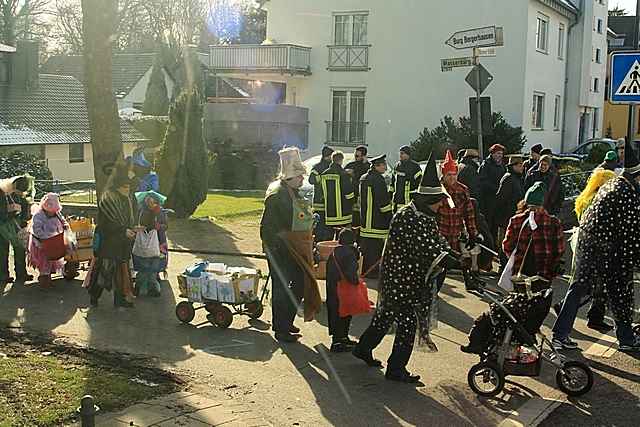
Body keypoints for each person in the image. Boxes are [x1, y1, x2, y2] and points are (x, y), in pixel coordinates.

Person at [353, 152, 451, 383]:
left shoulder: (424, 215)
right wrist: (452, 259)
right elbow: (426, 249)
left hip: (406, 278)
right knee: (407, 323)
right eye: (439, 201)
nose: (441, 205)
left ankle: (363, 349)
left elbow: (436, 242)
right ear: (428, 200)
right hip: (400, 279)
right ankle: (396, 369)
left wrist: (454, 250)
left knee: (384, 317)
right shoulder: (409, 217)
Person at [552, 143, 640, 352]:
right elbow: (631, 232)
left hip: (593, 245)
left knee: (585, 288)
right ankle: (625, 338)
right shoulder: (626, 192)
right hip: (602, 248)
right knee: (616, 289)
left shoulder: (615, 184)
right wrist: (635, 260)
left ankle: (561, 334)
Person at [462, 182, 565, 355]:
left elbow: (507, 246)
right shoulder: (554, 222)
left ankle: (511, 343)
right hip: (543, 280)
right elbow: (559, 250)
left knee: (514, 310)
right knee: (531, 311)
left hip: (520, 278)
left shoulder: (517, 220)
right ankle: (523, 339)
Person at [260, 147, 322, 343]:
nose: (303, 179)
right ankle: (281, 328)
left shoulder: (289, 191)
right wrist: (277, 247)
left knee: (297, 283)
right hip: (280, 249)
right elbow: (268, 226)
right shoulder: (278, 194)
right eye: (300, 176)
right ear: (290, 177)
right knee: (282, 288)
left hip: (290, 247)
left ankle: (286, 321)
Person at [552, 167, 617, 332]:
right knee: (587, 285)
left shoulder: (586, 198)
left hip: (585, 243)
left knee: (594, 285)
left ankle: (595, 317)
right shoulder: (599, 200)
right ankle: (570, 312)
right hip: (593, 246)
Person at [87, 160, 137, 308]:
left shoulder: (126, 198)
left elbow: (129, 219)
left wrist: (133, 228)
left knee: (121, 272)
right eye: (125, 187)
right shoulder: (108, 199)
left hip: (121, 243)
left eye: (129, 186)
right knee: (104, 271)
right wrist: (123, 231)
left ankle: (119, 299)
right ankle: (94, 296)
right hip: (108, 243)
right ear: (118, 187)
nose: (128, 189)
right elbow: (106, 224)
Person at [436, 150, 481, 291]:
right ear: (443, 175)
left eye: (454, 174)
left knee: (454, 263)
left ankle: (470, 281)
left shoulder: (463, 190)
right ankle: (431, 293)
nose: (452, 178)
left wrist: (473, 233)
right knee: (437, 265)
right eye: (449, 175)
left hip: (455, 233)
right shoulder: (437, 190)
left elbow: (469, 214)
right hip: (439, 234)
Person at [325, 228, 360, 352]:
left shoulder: (333, 253)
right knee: (345, 314)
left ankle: (340, 338)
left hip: (333, 289)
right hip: (345, 291)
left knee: (335, 314)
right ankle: (339, 342)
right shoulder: (350, 254)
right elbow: (351, 275)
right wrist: (357, 282)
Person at [359, 154, 393, 278]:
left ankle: (365, 269)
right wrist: (390, 217)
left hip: (365, 220)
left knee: (367, 247)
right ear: (377, 166)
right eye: (383, 164)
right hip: (376, 221)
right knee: (375, 248)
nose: (385, 167)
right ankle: (373, 272)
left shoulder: (364, 178)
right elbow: (383, 202)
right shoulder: (378, 180)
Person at [28, 193, 70, 289]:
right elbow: (36, 230)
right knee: (44, 262)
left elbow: (63, 221)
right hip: (40, 243)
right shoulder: (38, 216)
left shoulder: (56, 213)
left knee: (51, 260)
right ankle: (44, 280)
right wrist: (46, 237)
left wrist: (66, 226)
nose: (52, 213)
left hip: (53, 242)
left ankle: (48, 279)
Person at [132, 190, 169, 297]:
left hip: (159, 243)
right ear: (145, 201)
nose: (150, 203)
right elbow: (138, 224)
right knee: (143, 267)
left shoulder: (160, 212)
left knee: (154, 267)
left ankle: (153, 288)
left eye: (152, 201)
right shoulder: (141, 212)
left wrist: (160, 227)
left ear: (156, 201)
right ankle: (140, 287)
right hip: (144, 243)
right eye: (148, 201)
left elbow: (166, 226)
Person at [0, 175, 33, 286]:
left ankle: (21, 274)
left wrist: (24, 218)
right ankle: (3, 276)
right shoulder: (2, 193)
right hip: (3, 225)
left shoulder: (20, 196)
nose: (21, 193)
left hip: (16, 225)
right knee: (3, 251)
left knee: (19, 249)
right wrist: (7, 214)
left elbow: (26, 208)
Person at [495, 156, 525, 265]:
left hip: (514, 215)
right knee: (505, 241)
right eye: (519, 165)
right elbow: (501, 199)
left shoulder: (517, 178)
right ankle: (503, 264)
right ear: (513, 166)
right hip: (506, 217)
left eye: (522, 165)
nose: (522, 167)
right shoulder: (508, 178)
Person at [320, 151, 354, 231]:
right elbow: (348, 193)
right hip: (344, 212)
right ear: (341, 160)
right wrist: (352, 202)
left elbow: (321, 191)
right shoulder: (343, 174)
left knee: (330, 235)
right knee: (343, 235)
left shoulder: (324, 174)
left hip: (329, 212)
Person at [478, 144, 506, 239]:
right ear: (493, 153)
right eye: (498, 153)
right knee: (489, 223)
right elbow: (482, 181)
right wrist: (496, 188)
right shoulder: (486, 165)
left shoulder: (501, 164)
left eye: (501, 154)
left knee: (496, 224)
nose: (500, 156)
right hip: (489, 199)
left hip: (498, 199)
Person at [344, 145, 370, 230]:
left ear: (364, 156)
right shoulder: (350, 165)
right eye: (355, 155)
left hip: (363, 196)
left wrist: (365, 163)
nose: (355, 157)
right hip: (351, 196)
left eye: (357, 156)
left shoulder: (368, 167)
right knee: (351, 219)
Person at [390, 145, 422, 212]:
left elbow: (419, 184)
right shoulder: (397, 166)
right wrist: (390, 194)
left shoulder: (415, 167)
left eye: (402, 153)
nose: (400, 155)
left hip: (410, 201)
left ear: (408, 154)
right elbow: (392, 182)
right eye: (400, 153)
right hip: (397, 201)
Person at [309, 146, 334, 214]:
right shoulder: (318, 167)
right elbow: (311, 180)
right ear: (327, 156)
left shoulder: (332, 167)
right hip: (319, 201)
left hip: (329, 201)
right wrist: (322, 178)